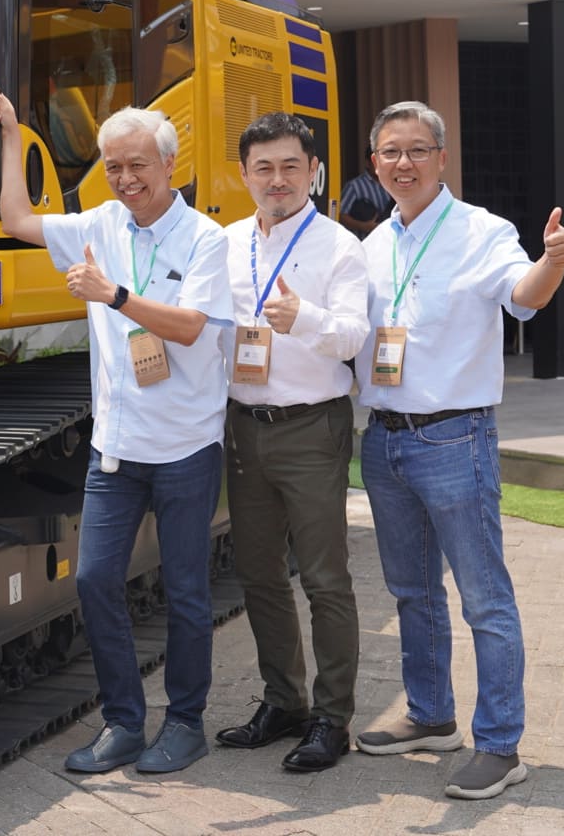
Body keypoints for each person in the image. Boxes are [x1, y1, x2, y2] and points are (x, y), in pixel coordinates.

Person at [0, 87, 232, 776]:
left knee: (184, 591)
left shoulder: (206, 239)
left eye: (136, 165)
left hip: (185, 448)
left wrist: (114, 295)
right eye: (113, 166)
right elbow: (15, 218)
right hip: (115, 450)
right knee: (95, 581)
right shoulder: (99, 226)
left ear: (171, 166)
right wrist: (12, 138)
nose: (124, 179)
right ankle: (124, 722)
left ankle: (185, 723)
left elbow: (190, 329)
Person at [352, 101, 564, 801]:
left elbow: (522, 296)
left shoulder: (481, 231)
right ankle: (430, 715)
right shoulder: (372, 243)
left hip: (454, 438)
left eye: (418, 150)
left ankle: (501, 745)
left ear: (442, 159)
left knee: (484, 598)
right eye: (391, 152)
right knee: (412, 592)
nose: (404, 163)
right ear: (375, 162)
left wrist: (552, 264)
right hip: (383, 440)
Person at [213, 113, 369, 773]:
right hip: (244, 427)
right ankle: (285, 701)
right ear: (244, 174)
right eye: (263, 168)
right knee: (257, 574)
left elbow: (355, 338)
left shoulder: (338, 247)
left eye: (289, 166)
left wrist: (302, 318)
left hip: (312, 426)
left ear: (313, 171)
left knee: (326, 578)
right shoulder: (222, 243)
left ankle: (332, 719)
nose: (276, 180)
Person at [338, 170, 392, 239]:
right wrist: (363, 226)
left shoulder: (390, 184)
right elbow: (340, 216)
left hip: (386, 241)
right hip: (362, 243)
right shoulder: (354, 186)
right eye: (374, 161)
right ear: (368, 163)